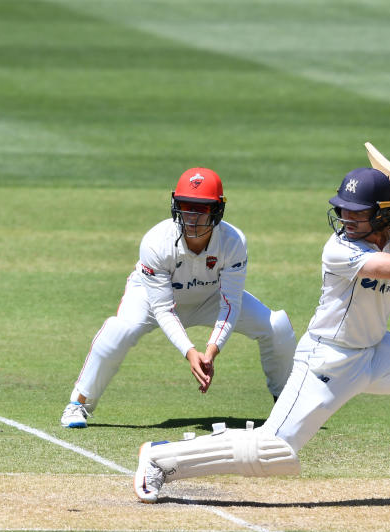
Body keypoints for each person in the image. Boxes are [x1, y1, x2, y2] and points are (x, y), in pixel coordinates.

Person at [134, 167, 390, 511]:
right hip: (327, 360)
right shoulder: (339, 249)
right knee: (272, 449)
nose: (346, 220)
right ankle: (161, 458)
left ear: (383, 215)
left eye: (356, 214)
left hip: (376, 352)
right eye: (342, 211)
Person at [60, 167, 296, 428]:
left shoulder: (233, 241)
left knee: (276, 326)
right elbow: (163, 309)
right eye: (185, 206)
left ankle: (287, 406)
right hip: (152, 297)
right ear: (175, 205)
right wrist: (190, 352)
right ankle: (78, 404)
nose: (192, 217)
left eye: (201, 208)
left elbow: (231, 303)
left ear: (217, 211)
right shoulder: (155, 241)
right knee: (120, 330)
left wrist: (210, 351)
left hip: (210, 296)